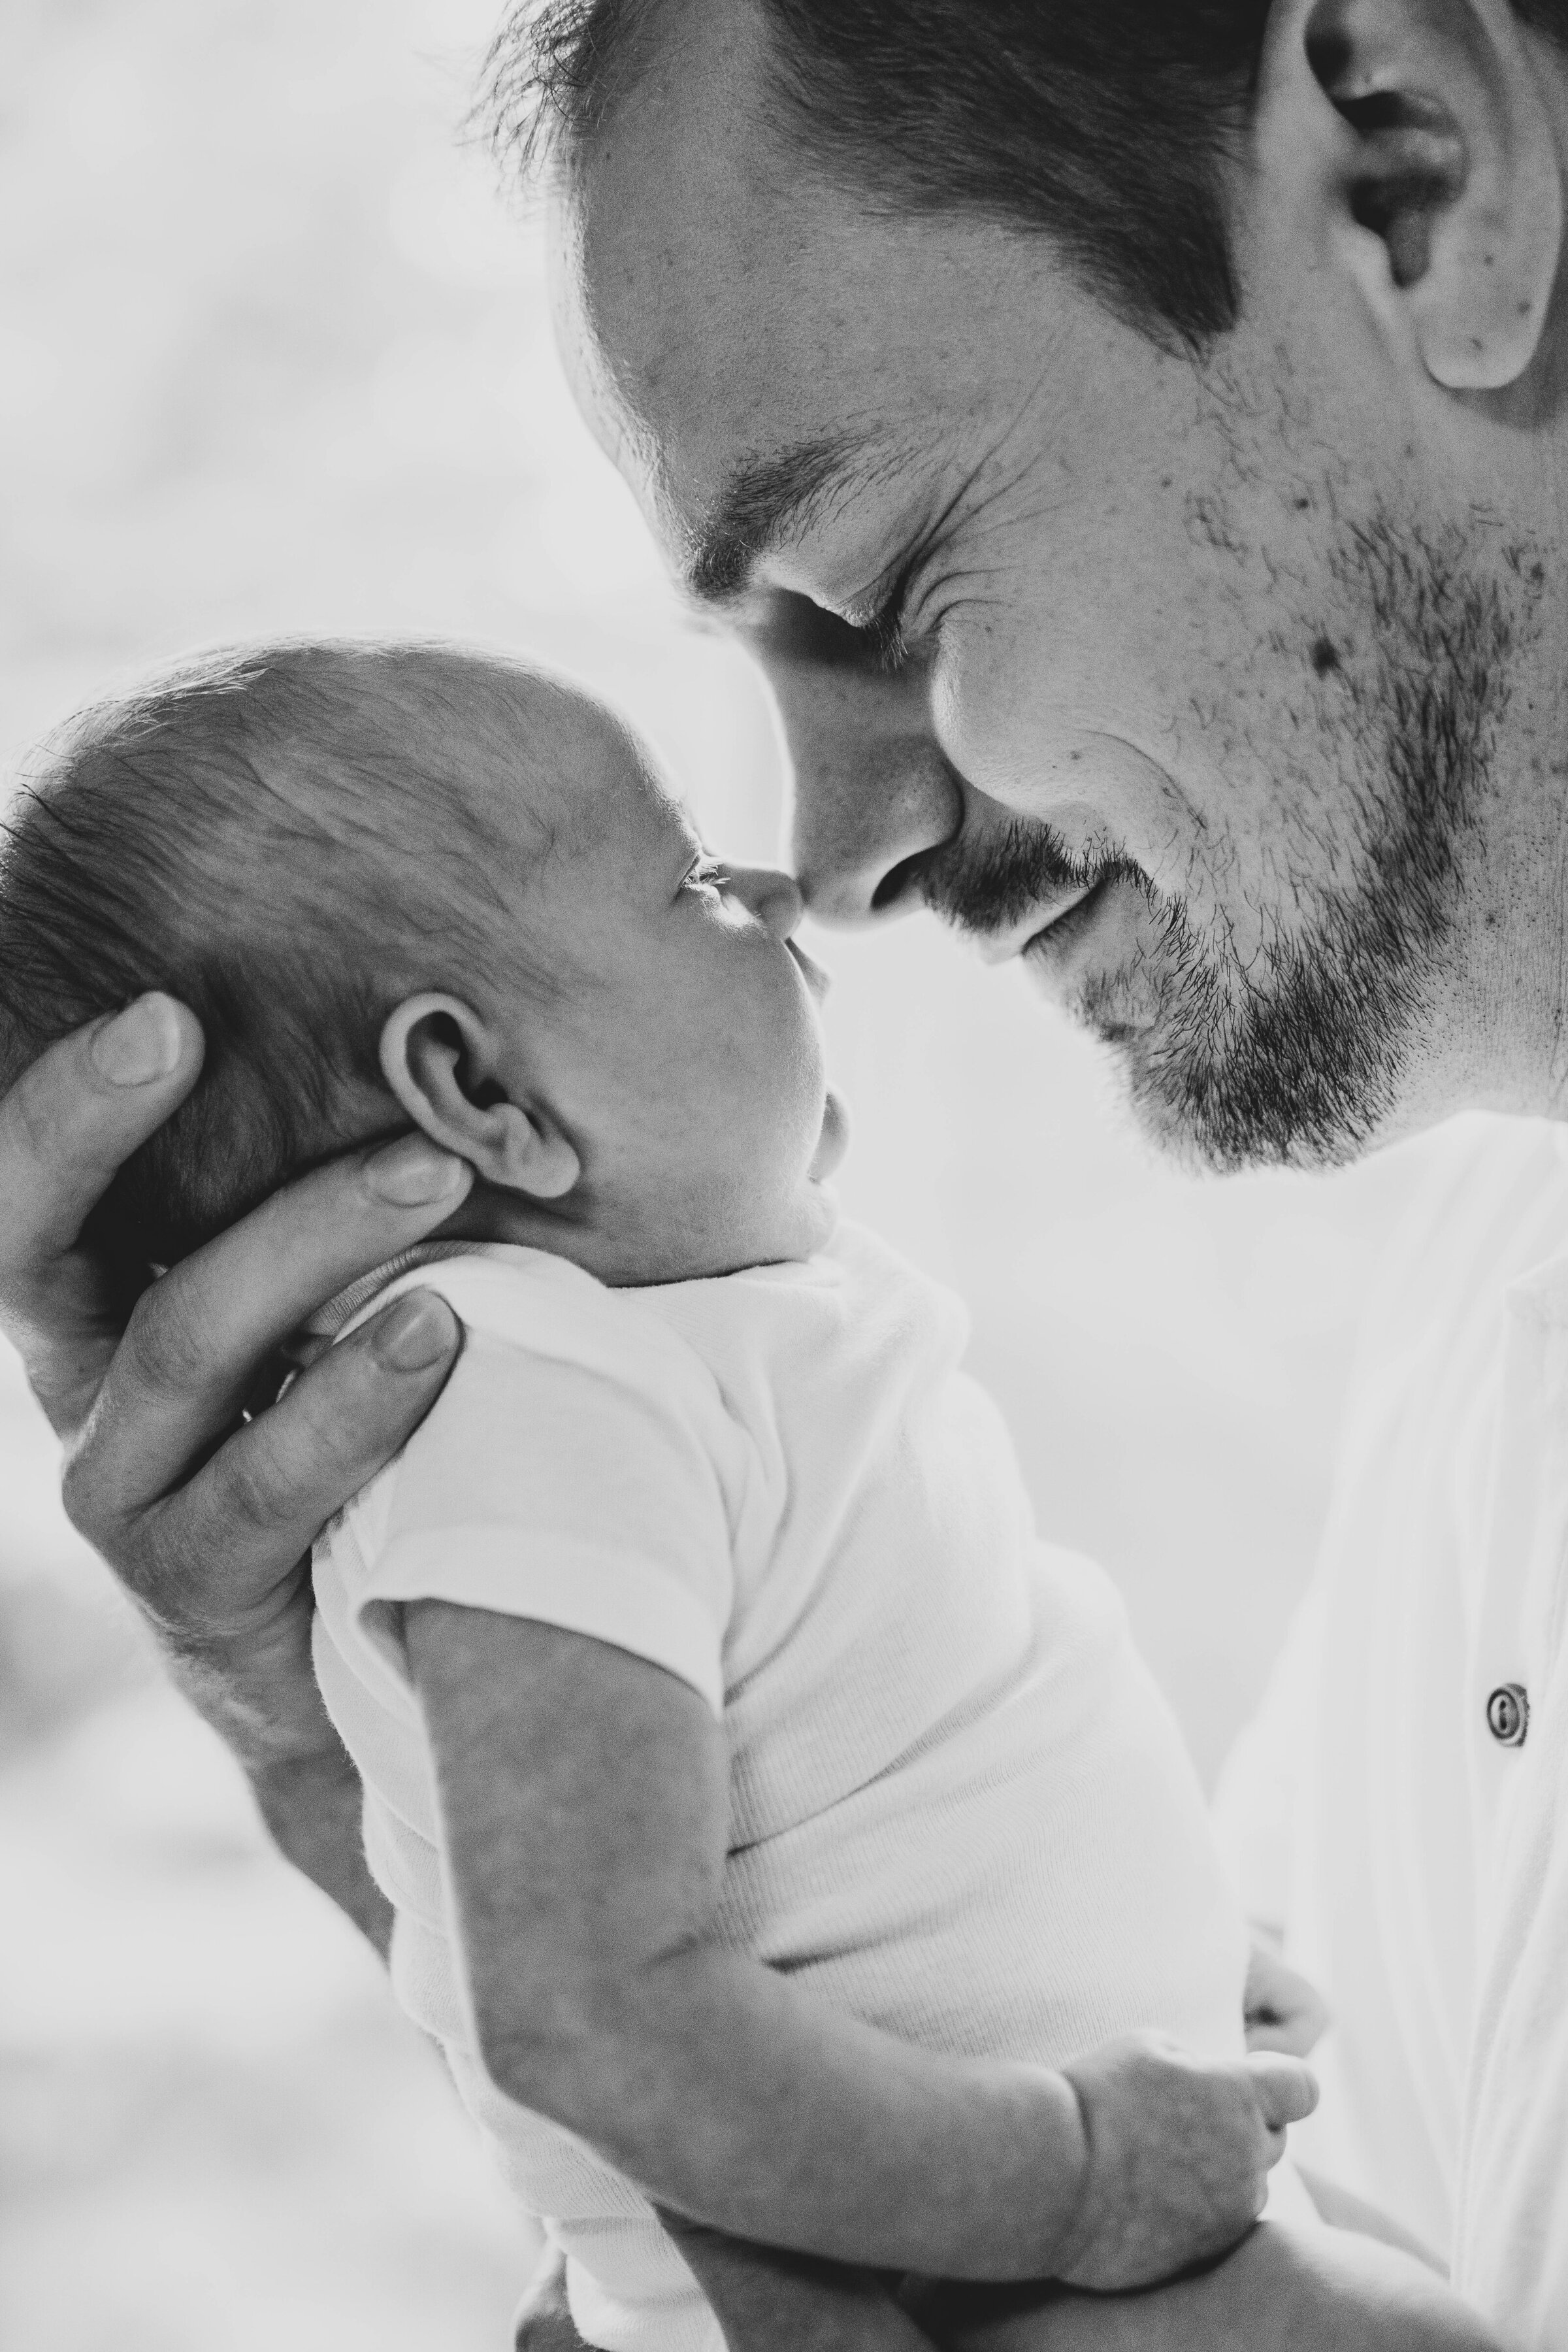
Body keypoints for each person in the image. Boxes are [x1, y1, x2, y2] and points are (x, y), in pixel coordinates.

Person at [3, 0, 1567, 2340]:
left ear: (1421, 174)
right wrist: (392, 1789)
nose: (831, 870)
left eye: (895, 585)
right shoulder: (1494, 1305)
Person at [2, 638, 1335, 2347]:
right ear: (480, 1096)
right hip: (953, 2279)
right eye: (695, 880)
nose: (782, 888)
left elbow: (858, 1764)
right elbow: (593, 2017)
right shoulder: (530, 1396)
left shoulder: (645, 1366)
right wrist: (1076, 2175)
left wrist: (1162, 1943)